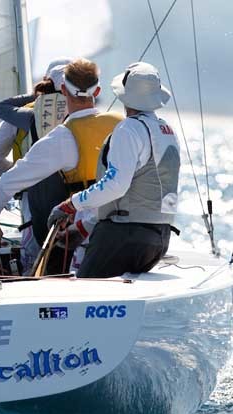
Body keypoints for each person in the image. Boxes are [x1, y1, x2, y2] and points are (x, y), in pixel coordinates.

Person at [0, 58, 124, 272]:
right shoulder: (121, 123)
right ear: (97, 91)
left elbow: (7, 180)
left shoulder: (62, 136)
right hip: (121, 226)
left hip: (81, 231)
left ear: (64, 90)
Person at [47, 62, 181, 278]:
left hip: (122, 236)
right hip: (158, 239)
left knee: (82, 297)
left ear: (125, 95)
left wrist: (71, 204)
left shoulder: (129, 129)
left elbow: (115, 185)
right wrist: (84, 227)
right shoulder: (166, 130)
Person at [0, 59, 71, 271]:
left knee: (38, 258)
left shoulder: (27, 112)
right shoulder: (85, 112)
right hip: (81, 197)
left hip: (35, 197)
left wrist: (22, 175)